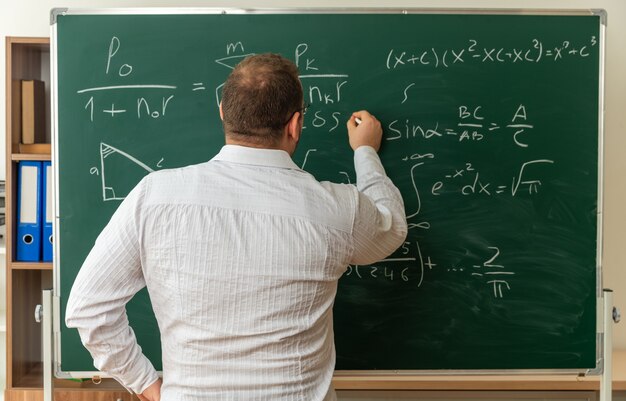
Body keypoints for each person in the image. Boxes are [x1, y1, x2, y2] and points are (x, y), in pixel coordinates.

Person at [66, 53, 407, 401]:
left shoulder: (154, 197)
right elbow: (391, 227)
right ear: (295, 124)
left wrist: (145, 383)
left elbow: (88, 308)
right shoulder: (337, 208)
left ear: (223, 114)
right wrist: (365, 151)